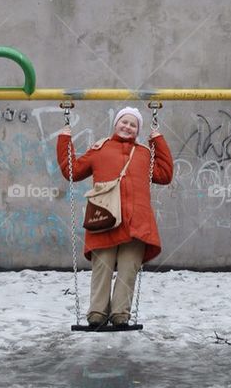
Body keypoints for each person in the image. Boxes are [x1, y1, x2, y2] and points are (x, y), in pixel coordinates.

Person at [57, 107, 173, 327]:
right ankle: (97, 314)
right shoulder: (100, 149)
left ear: (138, 130)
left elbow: (165, 174)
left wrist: (157, 139)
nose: (127, 127)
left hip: (136, 222)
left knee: (129, 268)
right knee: (103, 266)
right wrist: (64, 138)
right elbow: (72, 171)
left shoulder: (144, 153)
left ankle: (120, 314)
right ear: (116, 123)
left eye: (133, 125)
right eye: (124, 122)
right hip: (105, 218)